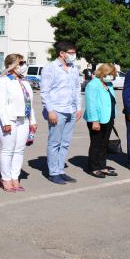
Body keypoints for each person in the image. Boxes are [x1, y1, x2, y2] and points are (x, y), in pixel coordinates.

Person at [40, 42, 83, 184]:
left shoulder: (73, 69)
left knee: (65, 142)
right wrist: (50, 110)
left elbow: (77, 88)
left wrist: (78, 107)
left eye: (74, 53)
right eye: (70, 53)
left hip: (70, 110)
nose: (73, 56)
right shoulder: (51, 68)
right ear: (62, 53)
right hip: (57, 110)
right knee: (54, 143)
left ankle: (60, 170)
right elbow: (45, 92)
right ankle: (53, 172)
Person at [0, 54, 38, 191]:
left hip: (23, 120)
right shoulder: (3, 81)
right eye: (21, 63)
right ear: (12, 65)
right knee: (8, 150)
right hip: (9, 120)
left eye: (24, 62)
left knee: (19, 150)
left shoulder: (24, 82)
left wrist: (32, 120)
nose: (24, 65)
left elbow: (29, 103)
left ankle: (15, 177)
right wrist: (5, 122)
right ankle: (6, 179)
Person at [84, 63, 119, 176]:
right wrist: (95, 120)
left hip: (108, 118)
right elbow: (91, 104)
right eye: (111, 74)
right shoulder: (93, 84)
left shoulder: (108, 84)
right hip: (97, 120)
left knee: (104, 144)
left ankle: (102, 166)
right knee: (96, 144)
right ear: (103, 72)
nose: (112, 77)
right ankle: (93, 167)